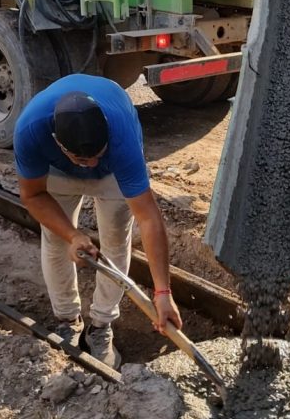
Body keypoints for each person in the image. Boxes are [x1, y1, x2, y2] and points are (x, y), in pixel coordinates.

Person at [14, 73, 182, 369]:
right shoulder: (30, 130)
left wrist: (163, 293)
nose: (90, 165)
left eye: (96, 155)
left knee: (116, 239)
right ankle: (67, 321)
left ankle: (101, 326)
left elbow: (149, 218)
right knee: (55, 240)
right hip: (58, 172)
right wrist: (72, 235)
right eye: (82, 159)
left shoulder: (122, 138)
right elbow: (33, 196)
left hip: (113, 172)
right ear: (58, 141)